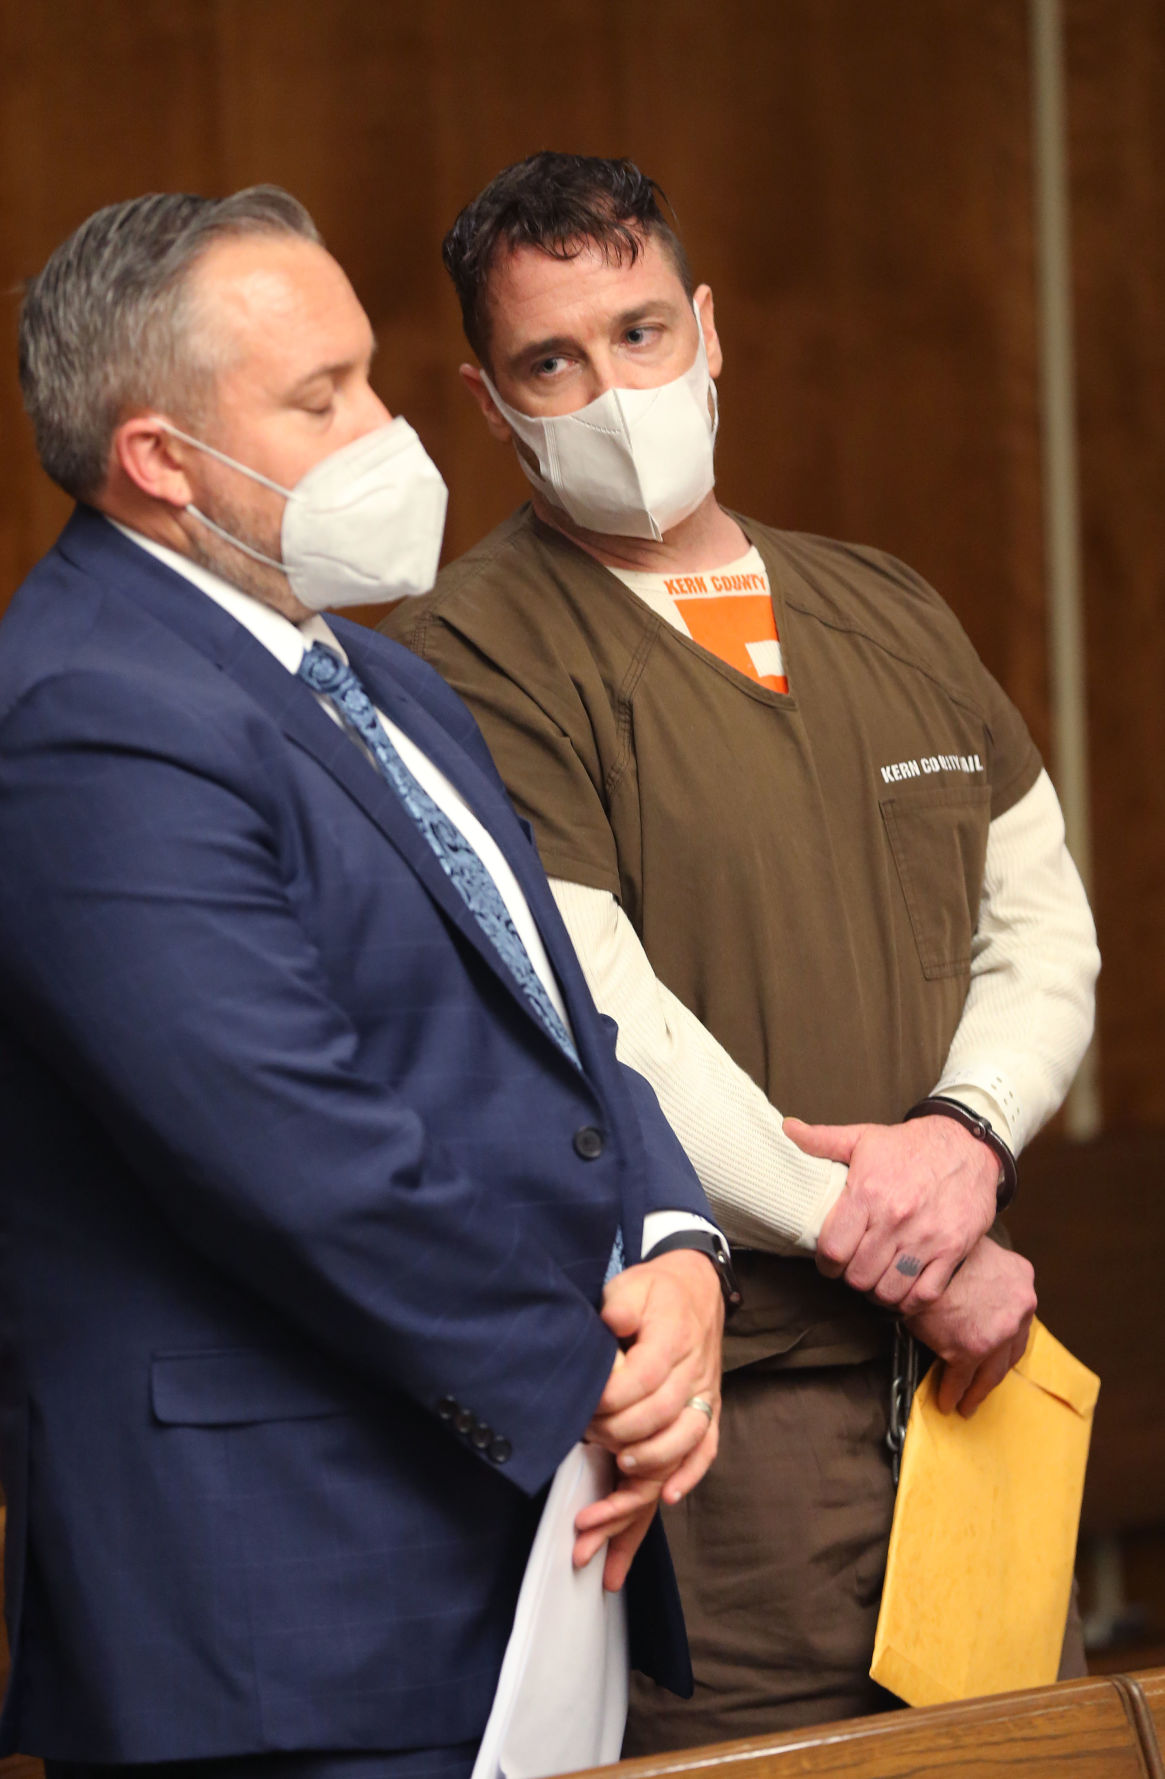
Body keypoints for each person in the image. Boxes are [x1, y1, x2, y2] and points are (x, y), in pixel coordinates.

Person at [0, 186, 733, 1779]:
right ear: (159, 460)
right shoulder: (86, 712)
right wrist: (598, 1385)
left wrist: (676, 1249)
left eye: (369, 376)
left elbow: (562, 1025)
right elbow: (288, 1148)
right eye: (320, 397)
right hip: (288, 1611)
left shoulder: (379, 675)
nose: (385, 429)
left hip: (497, 1570)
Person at [384, 152, 1101, 1746]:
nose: (612, 391)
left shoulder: (885, 609)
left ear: (707, 329)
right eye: (551, 362)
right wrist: (918, 1255)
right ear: (488, 404)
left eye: (640, 333)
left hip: (973, 1405)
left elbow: (1041, 928)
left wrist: (969, 1134)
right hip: (727, 1431)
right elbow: (603, 1021)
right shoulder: (472, 659)